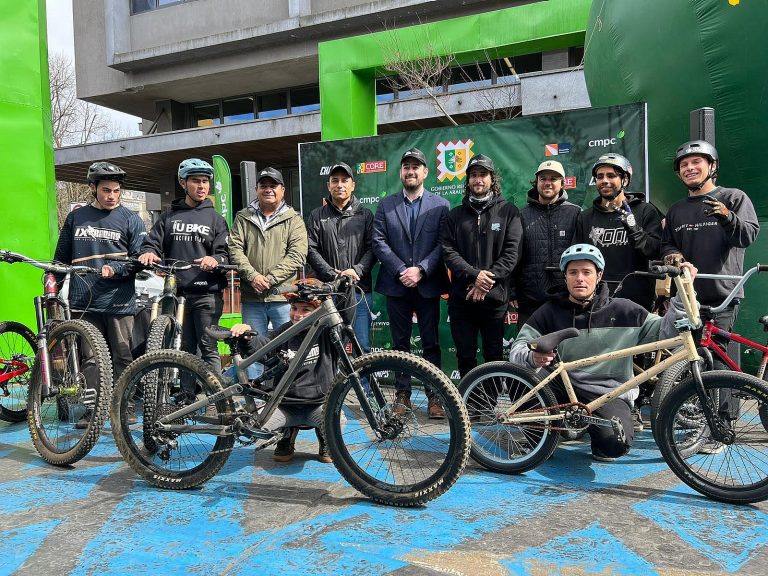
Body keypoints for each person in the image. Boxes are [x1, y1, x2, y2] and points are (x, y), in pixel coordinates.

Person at [509, 244, 696, 462]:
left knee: (614, 446)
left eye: (586, 272)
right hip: (561, 387)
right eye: (573, 272)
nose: (580, 278)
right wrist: (533, 358)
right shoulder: (549, 312)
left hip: (608, 393)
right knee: (522, 380)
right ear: (565, 277)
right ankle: (549, 433)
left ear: (599, 276)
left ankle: (586, 429)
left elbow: (668, 332)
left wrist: (685, 290)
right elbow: (517, 349)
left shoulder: (626, 310)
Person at [661, 140, 759, 452]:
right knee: (690, 359)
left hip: (723, 295)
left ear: (712, 166)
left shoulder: (734, 197)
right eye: (684, 165)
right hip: (688, 298)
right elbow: (666, 244)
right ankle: (698, 420)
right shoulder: (677, 210)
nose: (690, 168)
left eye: (696, 162)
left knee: (721, 360)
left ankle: (724, 426)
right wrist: (673, 255)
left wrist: (728, 216)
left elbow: (748, 235)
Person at [54, 161, 146, 427]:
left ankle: (125, 407)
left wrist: (115, 268)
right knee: (91, 358)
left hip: (119, 301)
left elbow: (139, 258)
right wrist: (53, 283)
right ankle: (92, 409)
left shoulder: (131, 218)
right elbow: (61, 258)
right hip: (84, 301)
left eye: (116, 191)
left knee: (122, 355)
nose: (112, 196)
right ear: (92, 188)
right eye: (106, 190)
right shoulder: (76, 217)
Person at [138, 159, 230, 395]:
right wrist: (149, 252)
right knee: (185, 347)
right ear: (183, 183)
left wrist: (215, 260)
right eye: (196, 181)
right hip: (178, 294)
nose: (202, 186)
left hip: (207, 294)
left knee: (208, 347)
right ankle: (187, 396)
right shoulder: (168, 217)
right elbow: (152, 243)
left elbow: (224, 253)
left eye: (205, 181)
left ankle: (217, 399)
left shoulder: (216, 220)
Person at [372, 147, 450, 418]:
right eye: (406, 166)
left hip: (427, 284)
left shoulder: (441, 205)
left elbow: (443, 244)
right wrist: (403, 270)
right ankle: (402, 395)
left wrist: (421, 270)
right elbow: (378, 242)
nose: (411, 171)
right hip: (397, 284)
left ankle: (434, 396)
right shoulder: (386, 204)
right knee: (400, 345)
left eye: (416, 166)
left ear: (425, 172)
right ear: (401, 172)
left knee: (431, 344)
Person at [229, 286, 338, 463]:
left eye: (306, 309)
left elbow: (346, 316)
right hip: (286, 405)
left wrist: (346, 283)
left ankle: (325, 437)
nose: (297, 314)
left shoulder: (328, 332)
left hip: (317, 404)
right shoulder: (285, 331)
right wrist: (246, 336)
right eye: (294, 308)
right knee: (260, 425)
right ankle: (286, 436)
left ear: (318, 311)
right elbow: (264, 348)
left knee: (337, 419)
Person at [441, 154, 522, 377]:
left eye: (483, 174)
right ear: (468, 181)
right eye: (474, 175)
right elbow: (448, 252)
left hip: (494, 299)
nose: (478, 180)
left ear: (492, 179)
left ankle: (491, 406)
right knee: (465, 355)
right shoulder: (454, 216)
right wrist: (474, 276)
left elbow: (512, 253)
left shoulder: (509, 212)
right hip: (461, 299)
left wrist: (486, 282)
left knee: (494, 355)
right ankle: (469, 404)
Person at [306, 161, 376, 355]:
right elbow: (310, 249)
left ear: (353, 185)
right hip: (328, 292)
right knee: (328, 347)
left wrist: (357, 270)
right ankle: (331, 386)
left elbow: (373, 248)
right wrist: (331, 274)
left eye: (345, 180)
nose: (340, 185)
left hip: (359, 290)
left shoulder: (366, 215)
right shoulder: (316, 215)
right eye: (335, 180)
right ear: (328, 185)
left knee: (361, 346)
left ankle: (365, 387)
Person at [576, 153, 662, 310]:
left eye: (611, 175)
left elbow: (655, 251)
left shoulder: (645, 211)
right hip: (595, 302)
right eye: (600, 176)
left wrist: (634, 229)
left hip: (636, 302)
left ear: (625, 180)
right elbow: (578, 260)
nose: (605, 181)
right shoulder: (585, 217)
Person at [229, 167, 308, 337]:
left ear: (283, 190)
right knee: (253, 351)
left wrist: (270, 280)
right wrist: (253, 277)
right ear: (256, 189)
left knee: (289, 349)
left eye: (273, 185)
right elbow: (234, 249)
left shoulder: (294, 219)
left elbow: (297, 254)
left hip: (283, 297)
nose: (268, 190)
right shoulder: (243, 217)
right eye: (263, 185)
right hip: (252, 298)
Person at [513, 160, 580, 328]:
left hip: (567, 298)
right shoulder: (521, 215)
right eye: (543, 178)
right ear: (537, 182)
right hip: (530, 300)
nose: (548, 183)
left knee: (566, 352)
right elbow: (513, 256)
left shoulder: (576, 213)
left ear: (563, 183)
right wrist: (512, 291)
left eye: (554, 179)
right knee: (529, 351)